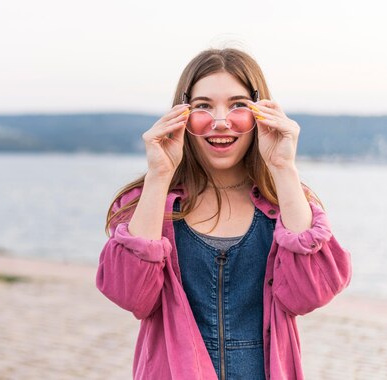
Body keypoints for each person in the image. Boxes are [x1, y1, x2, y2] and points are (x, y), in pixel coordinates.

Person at [96, 48, 351, 380]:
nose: (220, 121)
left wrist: (283, 167)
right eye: (203, 106)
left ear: (262, 113)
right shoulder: (147, 203)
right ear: (181, 114)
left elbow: (309, 294)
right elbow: (131, 296)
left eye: (238, 105)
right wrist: (159, 175)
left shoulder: (286, 202)